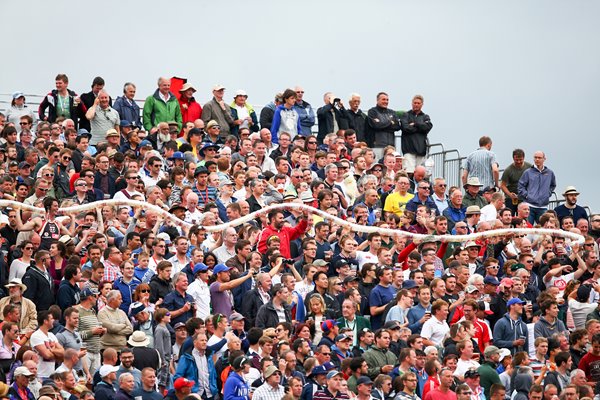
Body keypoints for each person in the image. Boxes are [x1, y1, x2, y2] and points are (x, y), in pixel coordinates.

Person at [517, 151, 556, 224]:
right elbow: (520, 186)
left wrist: (547, 194)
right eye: (535, 157)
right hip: (529, 206)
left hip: (543, 206)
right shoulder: (528, 172)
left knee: (543, 229)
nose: (537, 159)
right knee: (528, 229)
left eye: (539, 158)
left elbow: (553, 185)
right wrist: (527, 195)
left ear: (544, 159)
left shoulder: (550, 173)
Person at [400, 95, 433, 175]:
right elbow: (405, 128)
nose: (416, 105)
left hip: (421, 150)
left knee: (420, 173)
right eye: (415, 103)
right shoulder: (406, 115)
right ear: (412, 103)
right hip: (408, 149)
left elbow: (428, 127)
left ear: (422, 104)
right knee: (409, 172)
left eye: (418, 103)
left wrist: (415, 124)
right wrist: (420, 127)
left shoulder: (425, 116)